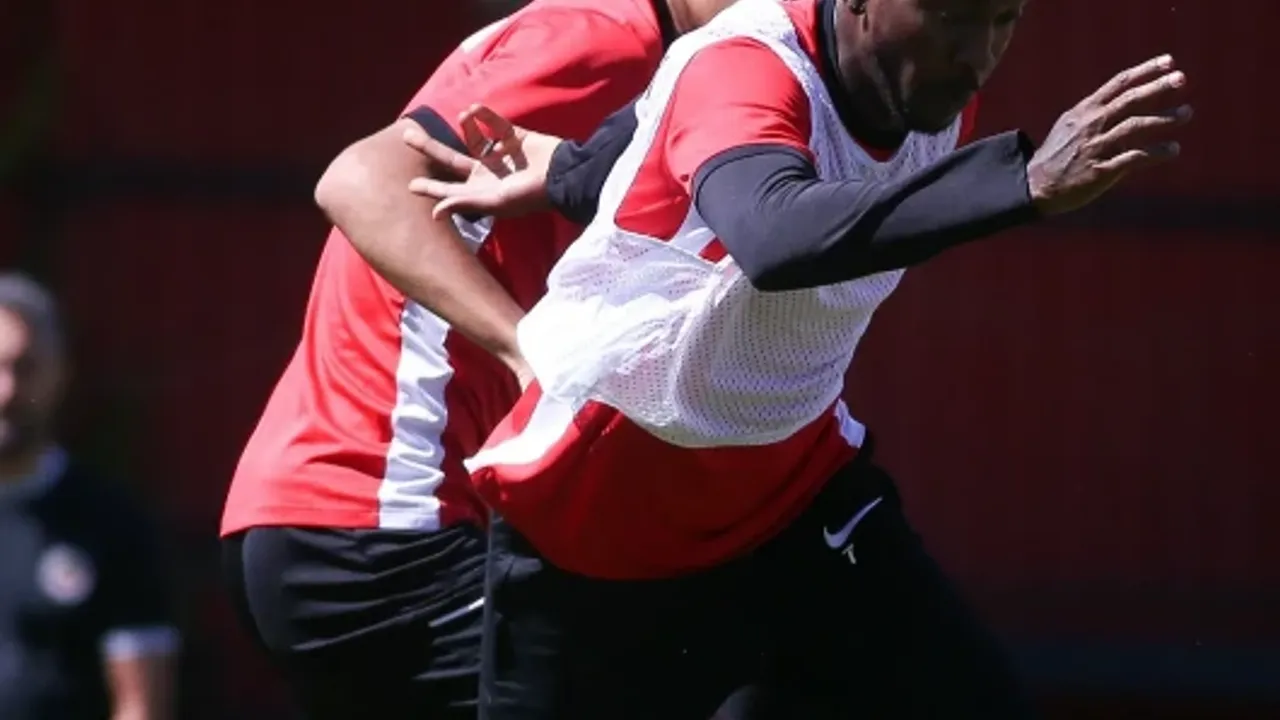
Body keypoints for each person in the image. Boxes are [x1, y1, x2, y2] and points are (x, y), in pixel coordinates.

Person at [403, 0, 1192, 717]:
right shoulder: (748, 63)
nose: (977, 52)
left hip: (791, 490)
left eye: (1003, 19)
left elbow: (660, 130)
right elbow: (773, 234)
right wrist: (1024, 180)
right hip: (603, 513)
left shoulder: (931, 91)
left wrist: (571, 172)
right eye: (952, 15)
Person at [217, 0, 742, 717]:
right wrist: (533, 356)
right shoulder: (607, 44)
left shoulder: (630, 46)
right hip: (383, 522)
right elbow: (363, 182)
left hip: (345, 523)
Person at [0, 273, 178, 720]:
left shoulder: (110, 522)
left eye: (25, 366)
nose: (7, 390)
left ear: (59, 374)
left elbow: (140, 703)